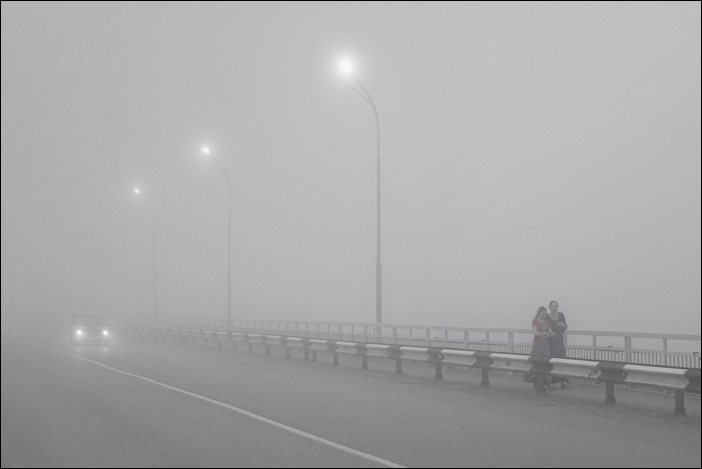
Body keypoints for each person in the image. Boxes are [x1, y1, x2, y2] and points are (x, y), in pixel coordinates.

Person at [546, 300, 569, 388]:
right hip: (551, 341)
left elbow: (565, 327)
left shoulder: (561, 315)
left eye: (556, 306)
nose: (555, 307)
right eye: (553, 306)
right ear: (550, 307)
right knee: (552, 361)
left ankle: (564, 380)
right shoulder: (547, 316)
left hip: (559, 340)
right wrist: (550, 331)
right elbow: (545, 326)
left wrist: (562, 324)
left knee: (561, 360)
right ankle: (552, 381)